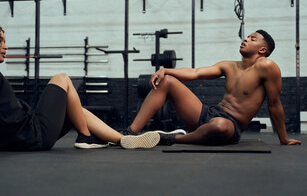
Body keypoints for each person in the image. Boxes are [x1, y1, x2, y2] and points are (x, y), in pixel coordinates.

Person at [0, 21, 160, 154]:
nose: (5, 45)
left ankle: (123, 139)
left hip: (21, 136)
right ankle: (86, 137)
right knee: (62, 78)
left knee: (76, 110)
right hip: (31, 133)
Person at [126, 30, 301, 146]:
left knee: (219, 126)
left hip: (230, 125)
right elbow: (196, 72)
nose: (245, 39)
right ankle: (129, 133)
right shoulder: (229, 66)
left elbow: (274, 104)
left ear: (262, 50)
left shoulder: (267, 66)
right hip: (207, 114)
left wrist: (283, 138)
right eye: (247, 37)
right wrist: (165, 70)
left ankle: (171, 138)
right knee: (167, 80)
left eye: (252, 39)